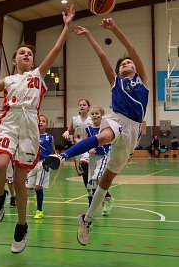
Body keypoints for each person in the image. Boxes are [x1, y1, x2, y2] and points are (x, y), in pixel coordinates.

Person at [0, 5, 75, 253]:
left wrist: (66, 26)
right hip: (9, 122)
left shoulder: (38, 75)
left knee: (21, 182)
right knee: (0, 165)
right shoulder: (7, 80)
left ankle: (21, 226)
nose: (26, 56)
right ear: (14, 60)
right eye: (22, 53)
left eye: (29, 54)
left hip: (30, 125)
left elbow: (56, 50)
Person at [43, 18, 149, 246]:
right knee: (102, 137)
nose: (125, 64)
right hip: (117, 120)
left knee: (106, 182)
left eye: (128, 63)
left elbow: (131, 49)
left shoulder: (142, 81)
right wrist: (90, 35)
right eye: (122, 64)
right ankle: (62, 156)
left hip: (133, 133)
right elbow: (103, 57)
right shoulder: (115, 83)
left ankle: (87, 218)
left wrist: (114, 28)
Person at [63, 98, 92, 204]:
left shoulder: (91, 119)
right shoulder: (75, 119)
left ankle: (94, 192)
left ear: (88, 107)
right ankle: (90, 194)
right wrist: (66, 132)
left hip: (89, 148)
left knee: (87, 167)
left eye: (84, 104)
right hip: (78, 148)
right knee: (84, 174)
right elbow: (69, 130)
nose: (82, 106)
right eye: (80, 105)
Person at [85, 105, 114, 215]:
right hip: (93, 157)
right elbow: (86, 142)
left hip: (103, 155)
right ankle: (106, 198)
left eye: (97, 113)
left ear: (102, 115)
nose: (94, 115)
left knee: (98, 177)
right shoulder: (88, 129)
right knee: (93, 182)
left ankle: (108, 198)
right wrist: (89, 148)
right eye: (92, 114)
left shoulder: (106, 128)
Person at [26, 114, 55, 219]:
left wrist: (56, 159)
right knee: (28, 188)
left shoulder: (49, 137)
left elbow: (53, 151)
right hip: (33, 163)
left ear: (47, 124)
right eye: (39, 121)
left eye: (43, 121)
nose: (41, 122)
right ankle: (37, 197)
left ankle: (39, 210)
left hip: (44, 163)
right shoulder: (32, 136)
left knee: (38, 187)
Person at [0, 111, 16, 207]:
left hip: (7, 156)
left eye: (4, 117)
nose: (1, 119)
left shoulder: (11, 130)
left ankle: (13, 196)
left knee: (10, 180)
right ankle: (0, 194)